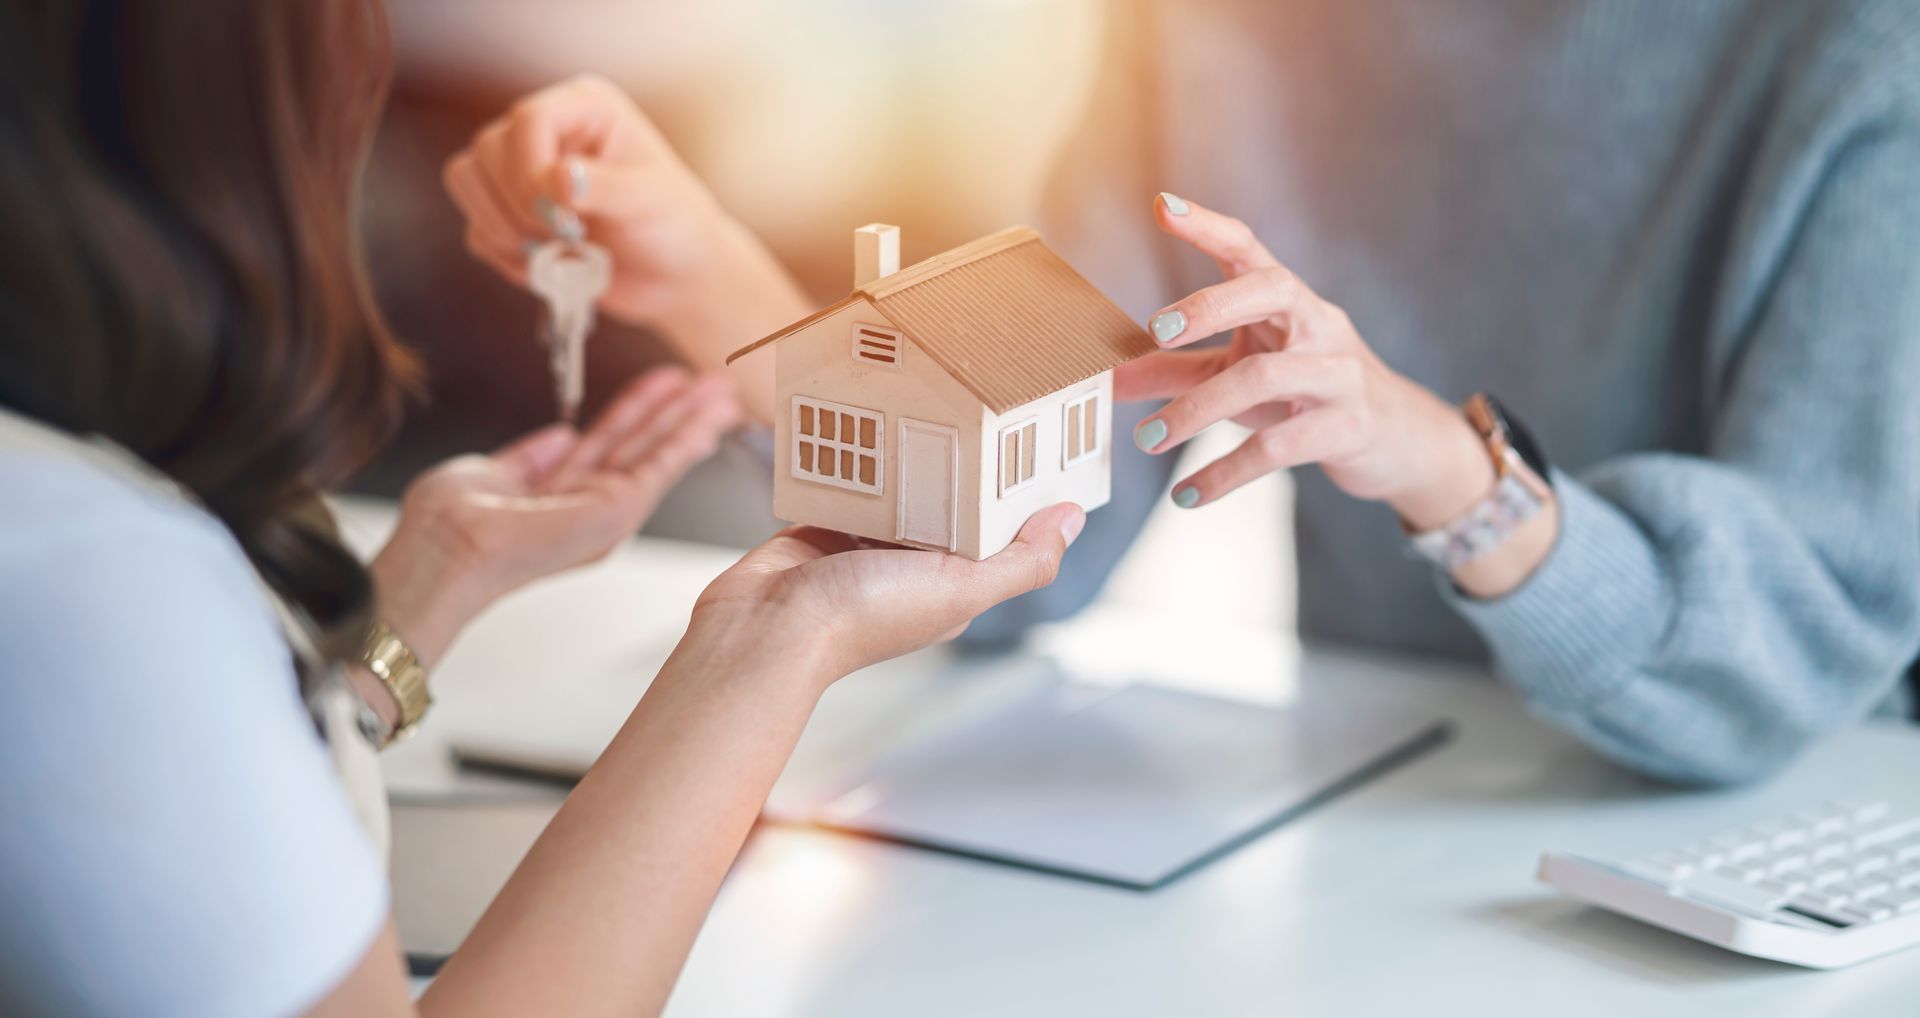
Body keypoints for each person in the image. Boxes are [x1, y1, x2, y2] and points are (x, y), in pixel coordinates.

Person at [447, 0, 1920, 788]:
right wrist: (714, 284)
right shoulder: (1210, 27)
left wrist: (1445, 470)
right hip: (1382, 808)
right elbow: (1025, 536)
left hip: (1779, 840)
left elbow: (1798, 657)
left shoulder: (1862, 51)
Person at [0, 4, 1082, 1015]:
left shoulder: (75, 528)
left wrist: (429, 582)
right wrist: (773, 640)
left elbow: (190, 776)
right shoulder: (87, 575)